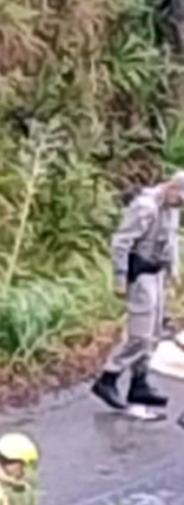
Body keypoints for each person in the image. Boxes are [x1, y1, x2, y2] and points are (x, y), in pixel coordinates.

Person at [92, 173, 183, 411]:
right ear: (172, 187)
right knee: (139, 335)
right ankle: (108, 377)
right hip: (140, 274)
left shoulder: (171, 207)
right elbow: (121, 242)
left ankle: (139, 382)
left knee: (154, 332)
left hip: (157, 274)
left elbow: (171, 240)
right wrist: (120, 278)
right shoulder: (146, 207)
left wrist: (174, 272)